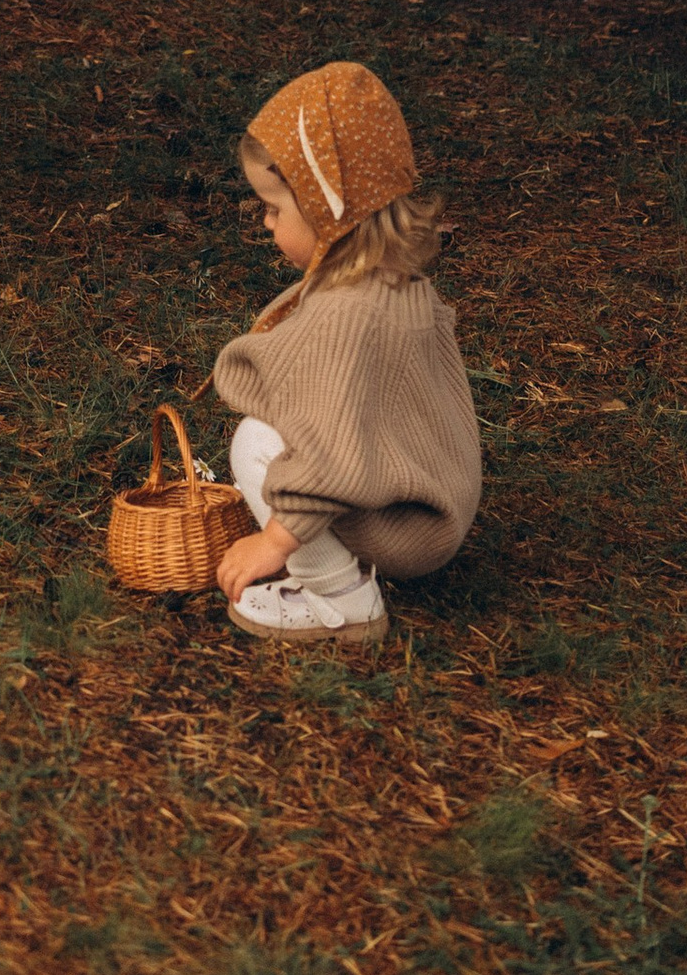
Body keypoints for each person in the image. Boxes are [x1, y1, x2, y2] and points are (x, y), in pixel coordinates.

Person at [207, 59, 483, 642]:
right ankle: (328, 562)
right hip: (429, 496)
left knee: (258, 442)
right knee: (284, 432)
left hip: (407, 525)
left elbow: (328, 456)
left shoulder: (344, 315)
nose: (265, 221)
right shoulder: (392, 279)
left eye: (276, 208)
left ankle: (341, 598)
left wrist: (272, 542)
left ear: (328, 212)